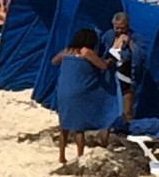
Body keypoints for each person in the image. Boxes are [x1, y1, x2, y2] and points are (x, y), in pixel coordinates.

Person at [53, 28, 115, 163]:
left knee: (64, 125)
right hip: (78, 91)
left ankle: (61, 156)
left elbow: (54, 61)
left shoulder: (67, 51)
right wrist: (109, 62)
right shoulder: (86, 52)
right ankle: (80, 156)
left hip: (63, 91)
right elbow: (102, 66)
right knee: (78, 126)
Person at [100, 12, 142, 125]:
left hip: (126, 78)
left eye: (122, 28)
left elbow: (139, 56)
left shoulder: (135, 37)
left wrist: (129, 44)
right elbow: (101, 50)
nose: (119, 30)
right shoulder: (109, 35)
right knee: (107, 109)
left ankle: (127, 130)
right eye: (116, 28)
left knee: (126, 110)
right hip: (109, 78)